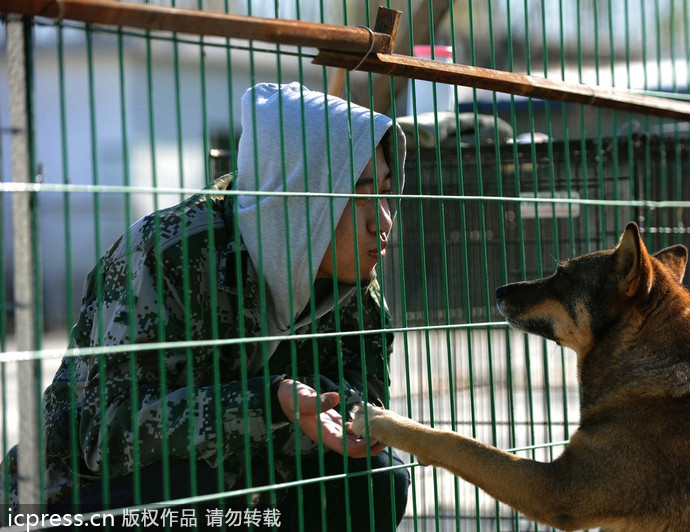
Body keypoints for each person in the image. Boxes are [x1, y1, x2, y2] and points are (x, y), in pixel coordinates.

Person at [1, 82, 409, 530]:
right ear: (300, 196)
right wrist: (267, 404)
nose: (384, 220)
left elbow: (361, 408)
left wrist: (306, 409)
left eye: (387, 191)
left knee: (378, 478)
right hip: (74, 500)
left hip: (246, 493)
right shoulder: (167, 254)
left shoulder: (356, 286)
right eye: (360, 193)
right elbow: (106, 436)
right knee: (188, 492)